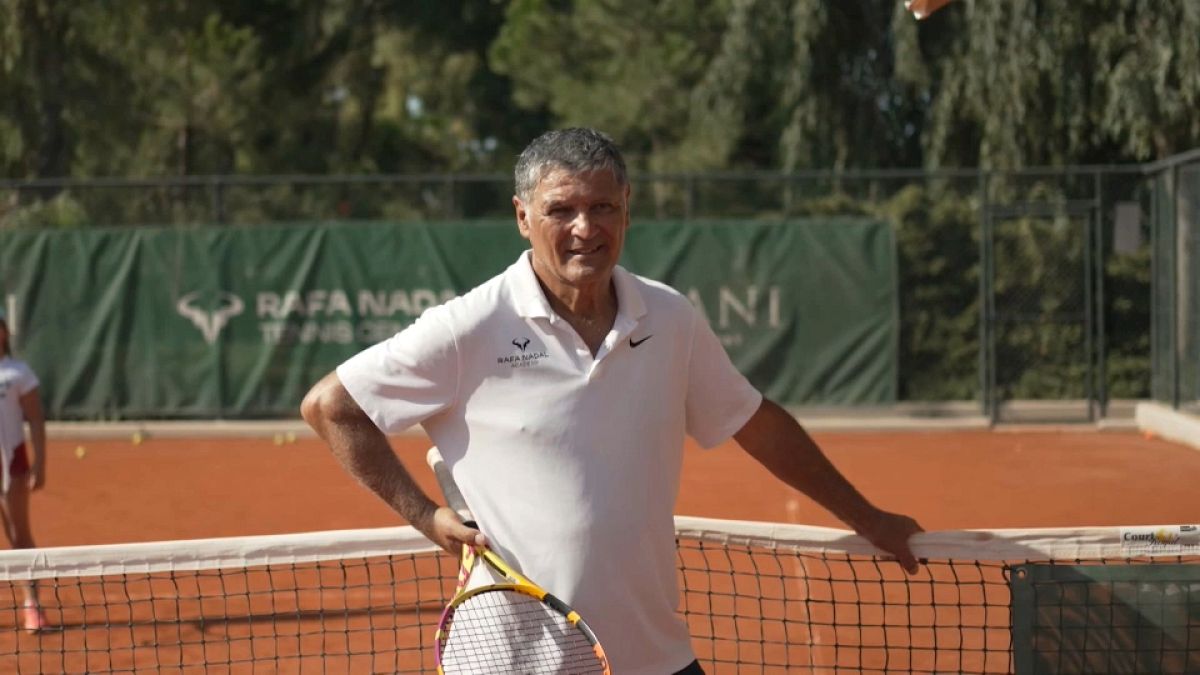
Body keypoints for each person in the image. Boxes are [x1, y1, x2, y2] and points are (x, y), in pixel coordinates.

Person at [301, 128, 923, 674]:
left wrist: (866, 516)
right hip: (512, 664)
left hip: (656, 658)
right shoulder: (470, 326)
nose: (584, 228)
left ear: (627, 210)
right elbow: (331, 406)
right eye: (560, 209)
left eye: (602, 206)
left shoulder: (671, 317)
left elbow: (753, 421)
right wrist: (424, 516)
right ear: (522, 217)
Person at [0, 308, 47, 633]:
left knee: (19, 534)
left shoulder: (18, 372)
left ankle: (32, 604)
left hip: (12, 464)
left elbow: (36, 419)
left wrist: (40, 463)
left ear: (4, 332)